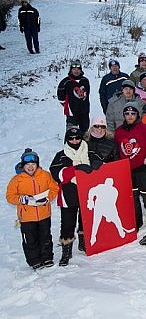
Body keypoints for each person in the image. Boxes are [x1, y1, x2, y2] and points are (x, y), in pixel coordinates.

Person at [114, 102, 146, 229]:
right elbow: (116, 149)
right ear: (124, 115)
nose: (130, 116)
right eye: (127, 113)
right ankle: (136, 222)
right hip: (128, 171)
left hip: (143, 170)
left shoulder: (143, 128)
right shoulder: (119, 131)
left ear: (137, 115)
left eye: (133, 113)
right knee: (133, 200)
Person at [6, 149, 59, 270]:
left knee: (45, 237)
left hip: (44, 214)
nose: (30, 167)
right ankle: (34, 260)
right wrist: (21, 199)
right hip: (26, 217)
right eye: (28, 165)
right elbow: (9, 196)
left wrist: (47, 199)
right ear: (23, 165)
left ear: (37, 164)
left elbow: (54, 188)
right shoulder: (17, 179)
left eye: (33, 164)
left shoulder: (45, 175)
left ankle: (47, 257)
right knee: (30, 239)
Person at [49, 127, 95, 266]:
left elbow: (100, 164)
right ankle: (66, 252)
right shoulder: (61, 155)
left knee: (85, 219)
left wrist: (98, 165)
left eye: (77, 138)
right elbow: (56, 173)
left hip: (86, 191)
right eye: (71, 138)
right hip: (68, 194)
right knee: (67, 223)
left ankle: (83, 243)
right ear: (67, 139)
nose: (74, 140)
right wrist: (76, 169)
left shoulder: (89, 151)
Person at [57, 60, 91, 134]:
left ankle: (84, 144)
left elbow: (87, 94)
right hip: (72, 112)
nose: (76, 71)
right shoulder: (65, 82)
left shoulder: (85, 80)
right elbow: (60, 98)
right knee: (71, 132)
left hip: (84, 111)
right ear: (71, 70)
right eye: (74, 69)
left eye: (78, 69)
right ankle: (69, 145)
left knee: (85, 131)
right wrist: (68, 107)